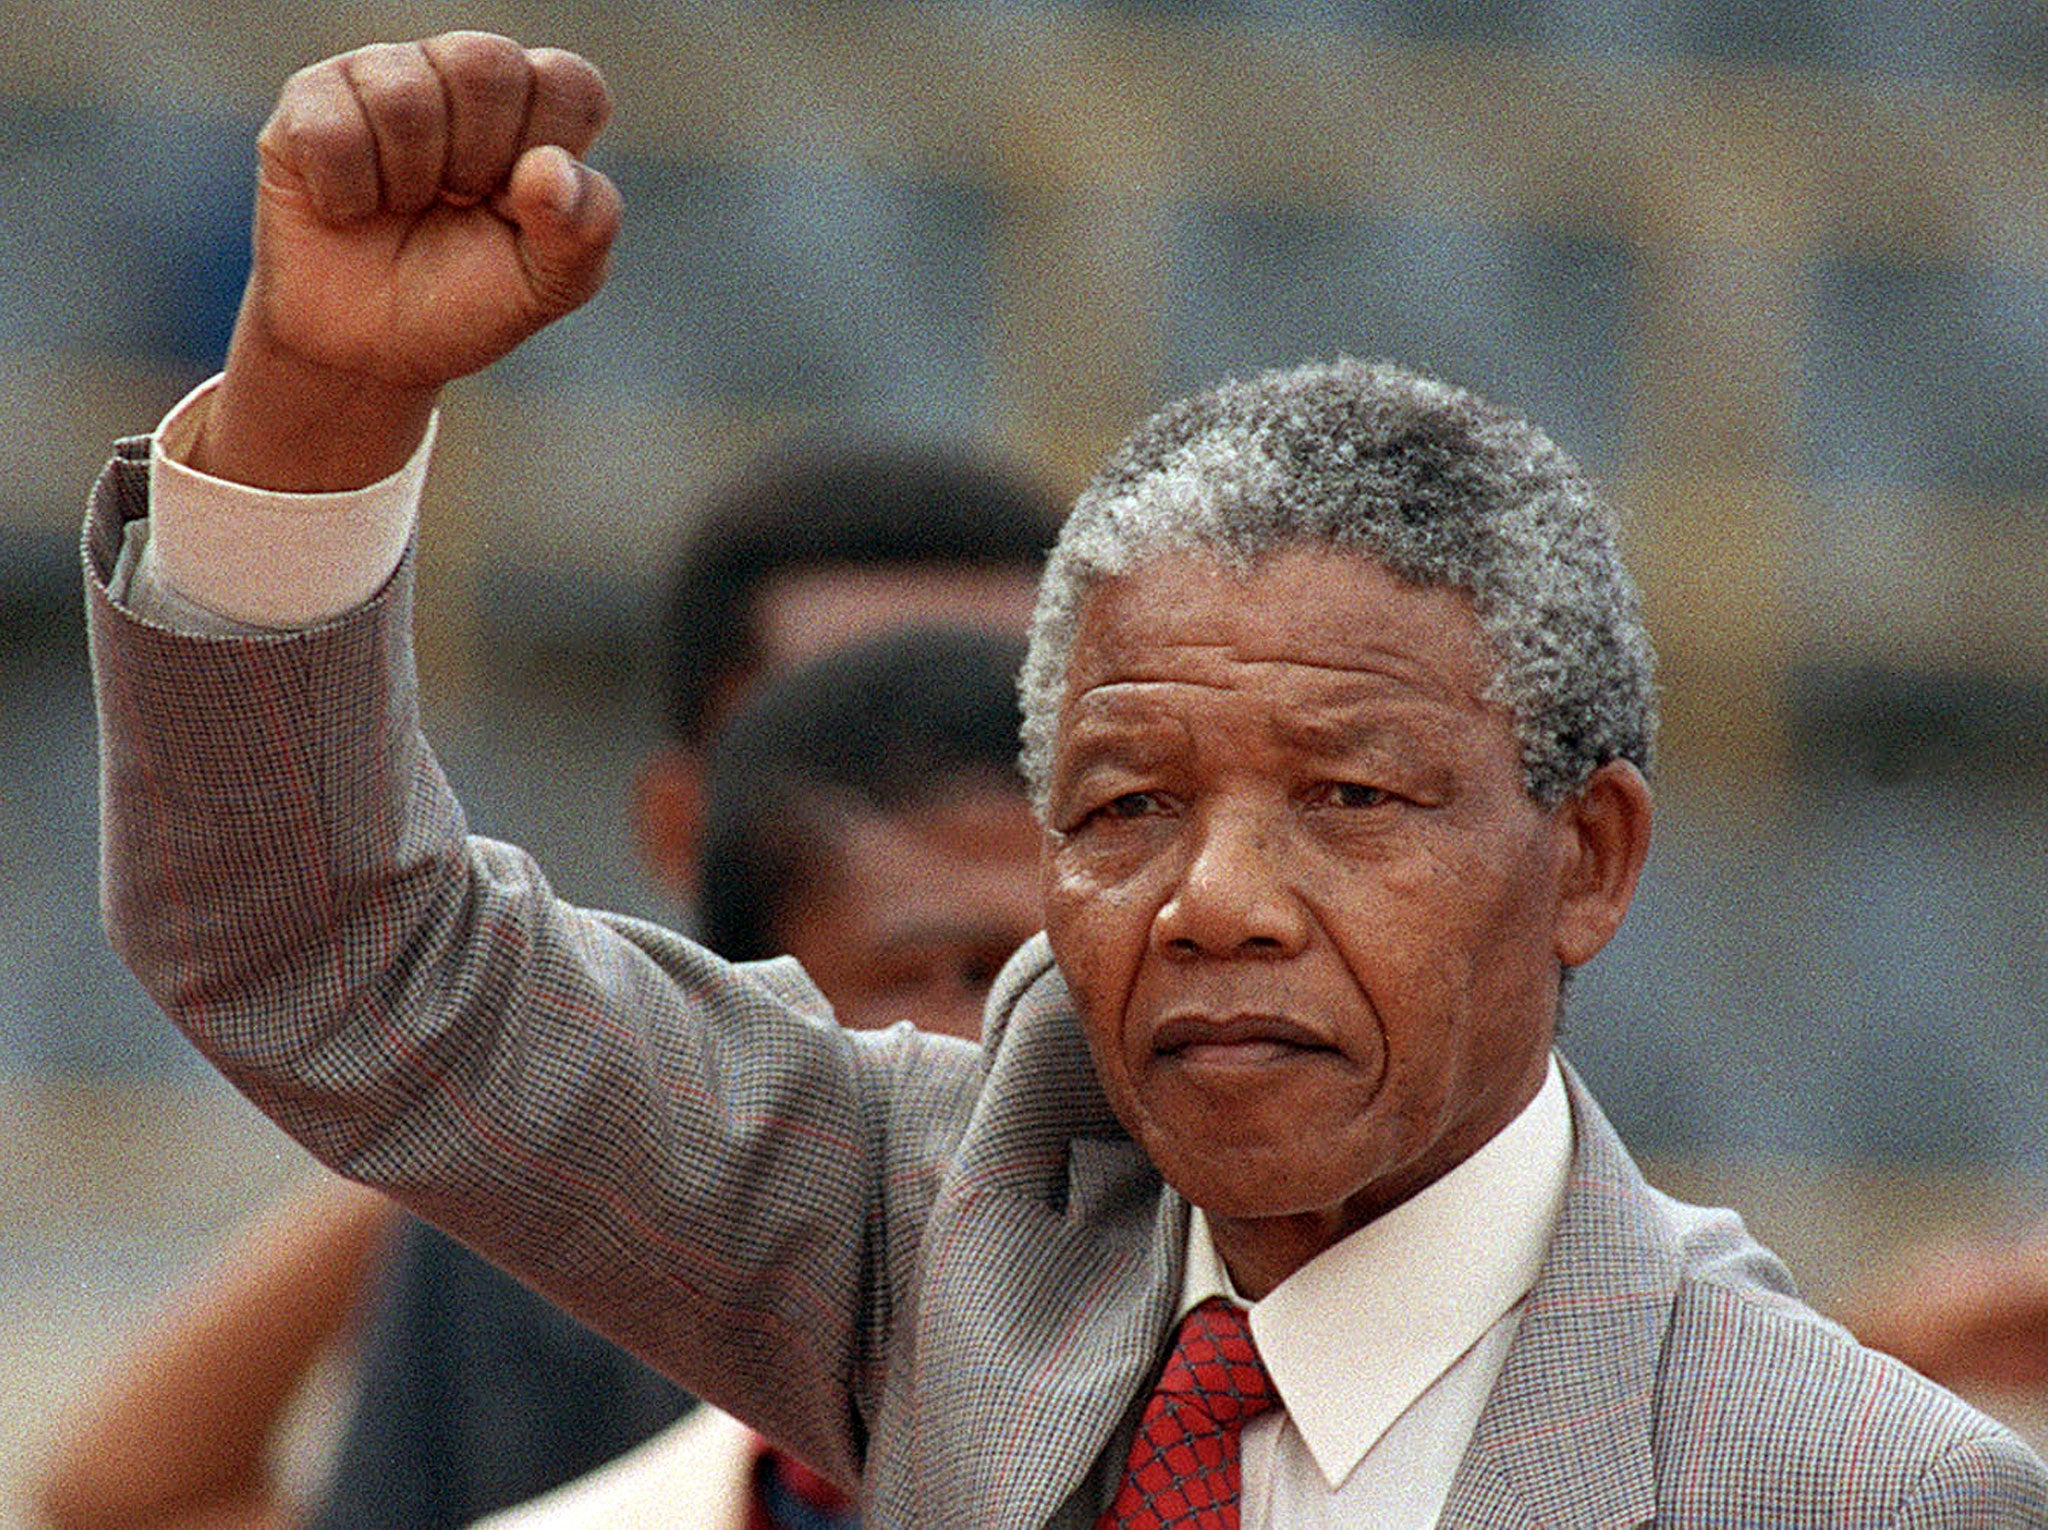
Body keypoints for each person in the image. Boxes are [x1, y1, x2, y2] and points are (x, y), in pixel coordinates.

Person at [84, 32, 2046, 1529]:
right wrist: (319, 408)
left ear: (1588, 857)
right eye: (1123, 809)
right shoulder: (944, 1227)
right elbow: (327, 951)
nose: (1215, 900)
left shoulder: (1854, 1490)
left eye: (1349, 798)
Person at [39, 623, 1041, 1530]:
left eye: (1071, 979)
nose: (1036, 1037)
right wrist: (479, 1120)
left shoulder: (1133, 1398)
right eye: (961, 975)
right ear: (739, 1003)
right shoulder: (547, 1313)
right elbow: (121, 1500)